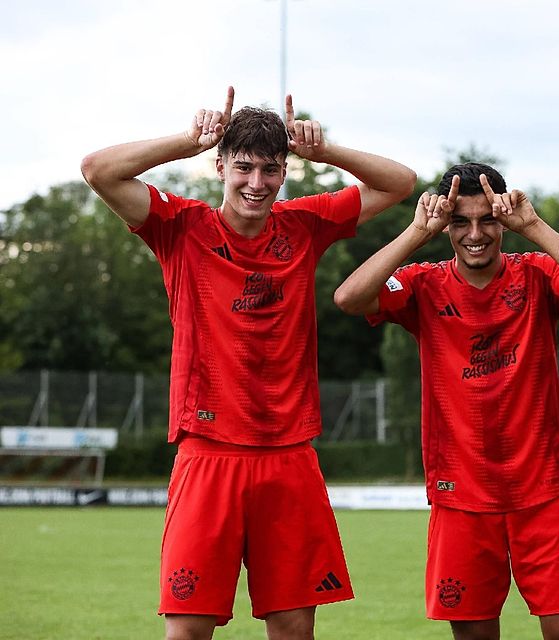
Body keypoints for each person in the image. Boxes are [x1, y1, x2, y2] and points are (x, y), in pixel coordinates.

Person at [80, 87, 416, 640]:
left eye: (270, 169)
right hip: (208, 451)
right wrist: (188, 140)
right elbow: (98, 170)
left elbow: (400, 183)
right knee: (187, 630)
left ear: (284, 172)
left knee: (293, 628)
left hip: (289, 454)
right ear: (220, 167)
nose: (256, 182)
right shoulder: (180, 225)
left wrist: (325, 152)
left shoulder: (305, 223)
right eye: (243, 167)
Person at [333, 163, 559, 640]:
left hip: (544, 490)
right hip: (460, 494)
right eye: (460, 222)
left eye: (487, 220)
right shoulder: (423, 284)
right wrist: (417, 232)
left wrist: (533, 225)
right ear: (446, 227)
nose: (475, 234)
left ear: (502, 221)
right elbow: (349, 297)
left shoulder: (537, 273)